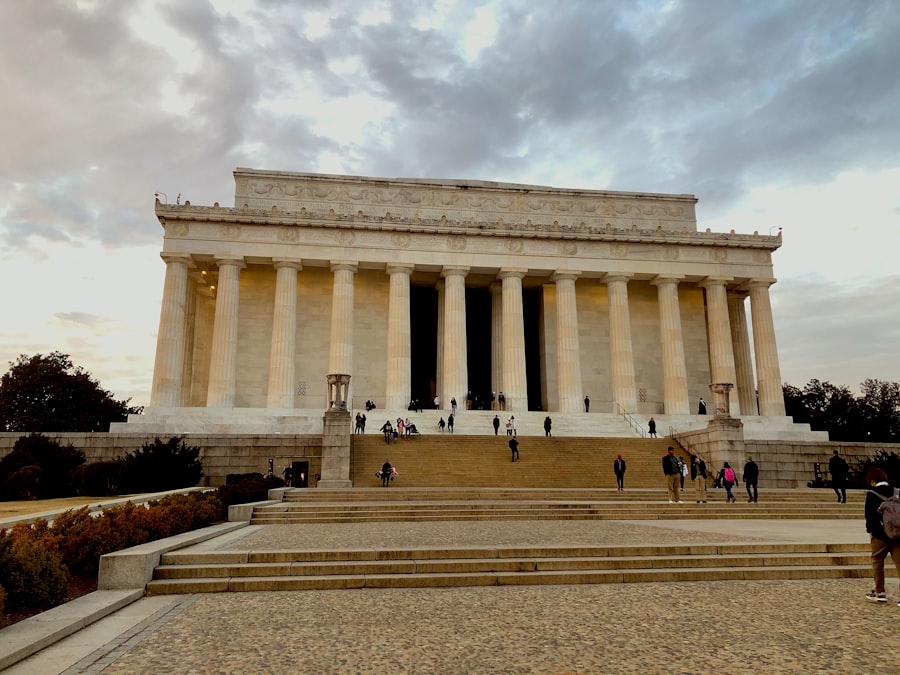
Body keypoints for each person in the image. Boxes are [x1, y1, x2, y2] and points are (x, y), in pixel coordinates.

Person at [863, 467, 900, 604]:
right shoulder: (897, 492)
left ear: (872, 481)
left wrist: (872, 532)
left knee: (878, 561)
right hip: (898, 534)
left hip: (880, 535)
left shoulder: (872, 494)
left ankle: (880, 592)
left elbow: (869, 518)